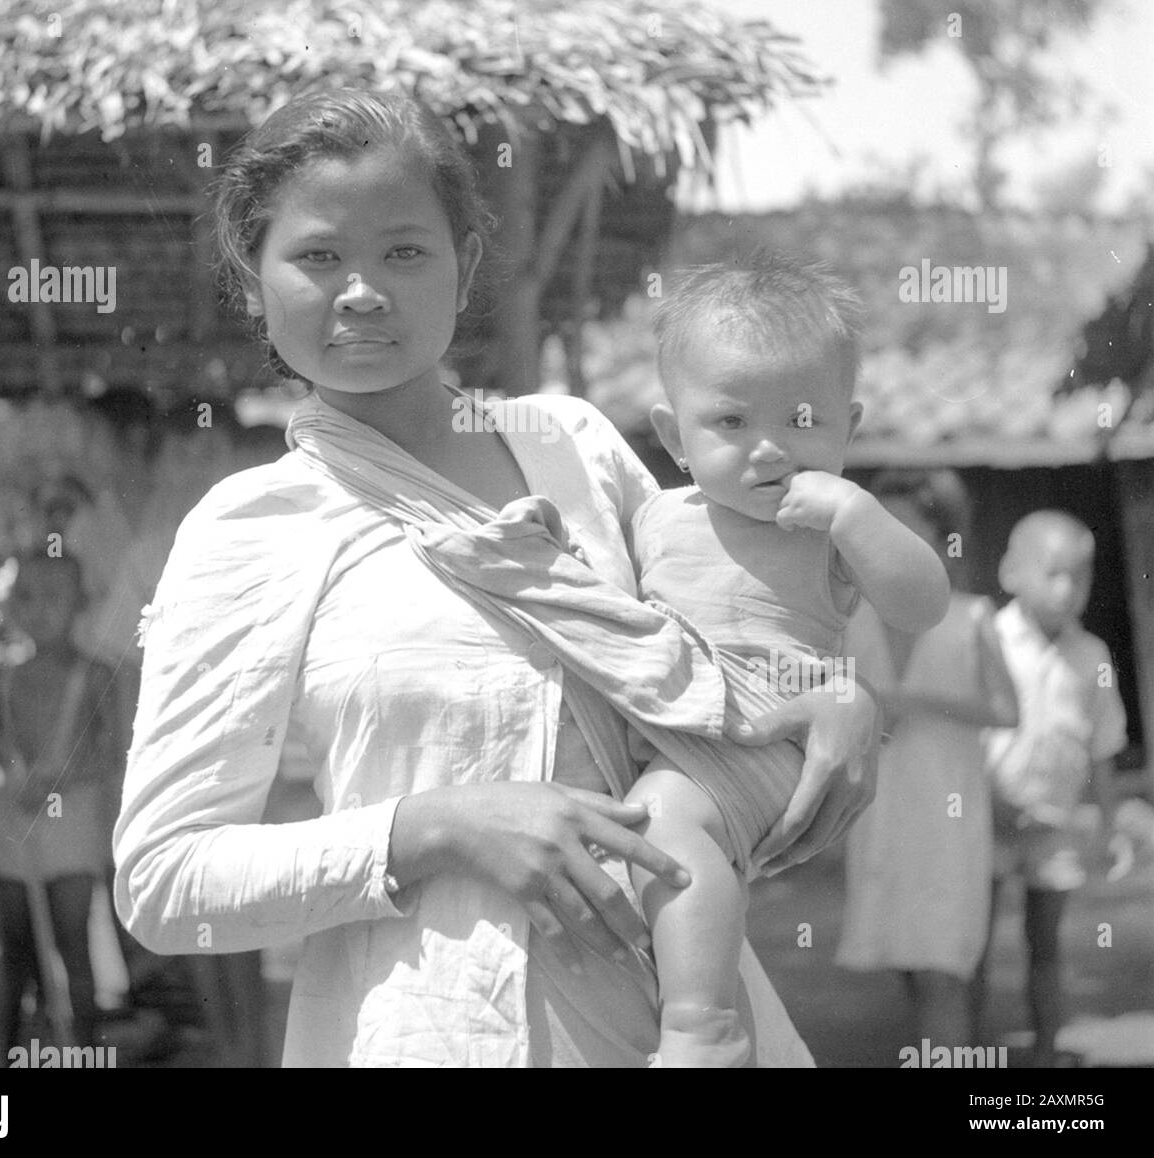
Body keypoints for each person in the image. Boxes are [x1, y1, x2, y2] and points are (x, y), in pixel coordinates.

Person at [113, 89, 883, 1069]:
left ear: (464, 266)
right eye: (316, 256)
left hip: (686, 1023)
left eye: (403, 250)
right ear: (251, 279)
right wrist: (432, 827)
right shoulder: (251, 529)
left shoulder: (570, 445)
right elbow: (162, 880)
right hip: (440, 1030)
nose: (360, 291)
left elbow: (729, 629)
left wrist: (835, 693)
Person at [624, 256, 950, 1065]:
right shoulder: (654, 518)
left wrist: (855, 513)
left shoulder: (825, 533)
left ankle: (704, 1028)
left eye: (801, 419)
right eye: (730, 424)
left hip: (771, 739)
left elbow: (922, 605)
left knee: (663, 824)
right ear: (674, 437)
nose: (769, 450)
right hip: (678, 730)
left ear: (847, 425)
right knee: (646, 838)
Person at [835, 470, 1018, 1053]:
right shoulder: (849, 621)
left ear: (941, 538)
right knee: (910, 967)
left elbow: (1007, 709)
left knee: (943, 968)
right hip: (882, 812)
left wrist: (914, 701)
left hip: (949, 814)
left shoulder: (969, 616)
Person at [974, 510, 1128, 1066]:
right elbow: (967, 738)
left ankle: (1045, 1060)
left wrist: (1108, 825)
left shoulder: (1092, 658)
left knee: (1046, 947)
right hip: (985, 818)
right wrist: (984, 803)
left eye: (1080, 577)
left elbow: (1104, 745)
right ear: (1013, 572)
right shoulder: (986, 637)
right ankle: (967, 1053)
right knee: (975, 947)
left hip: (1053, 824)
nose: (1068, 589)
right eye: (1053, 573)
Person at [0, 550, 119, 1054]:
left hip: (72, 817)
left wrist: (59, 781)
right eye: (27, 596)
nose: (39, 609)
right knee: (14, 946)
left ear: (79, 603)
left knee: (71, 940)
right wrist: (10, 773)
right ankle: (6, 1058)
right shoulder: (2, 674)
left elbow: (110, 752)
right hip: (16, 816)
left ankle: (81, 1050)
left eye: (53, 597)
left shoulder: (95, 675)